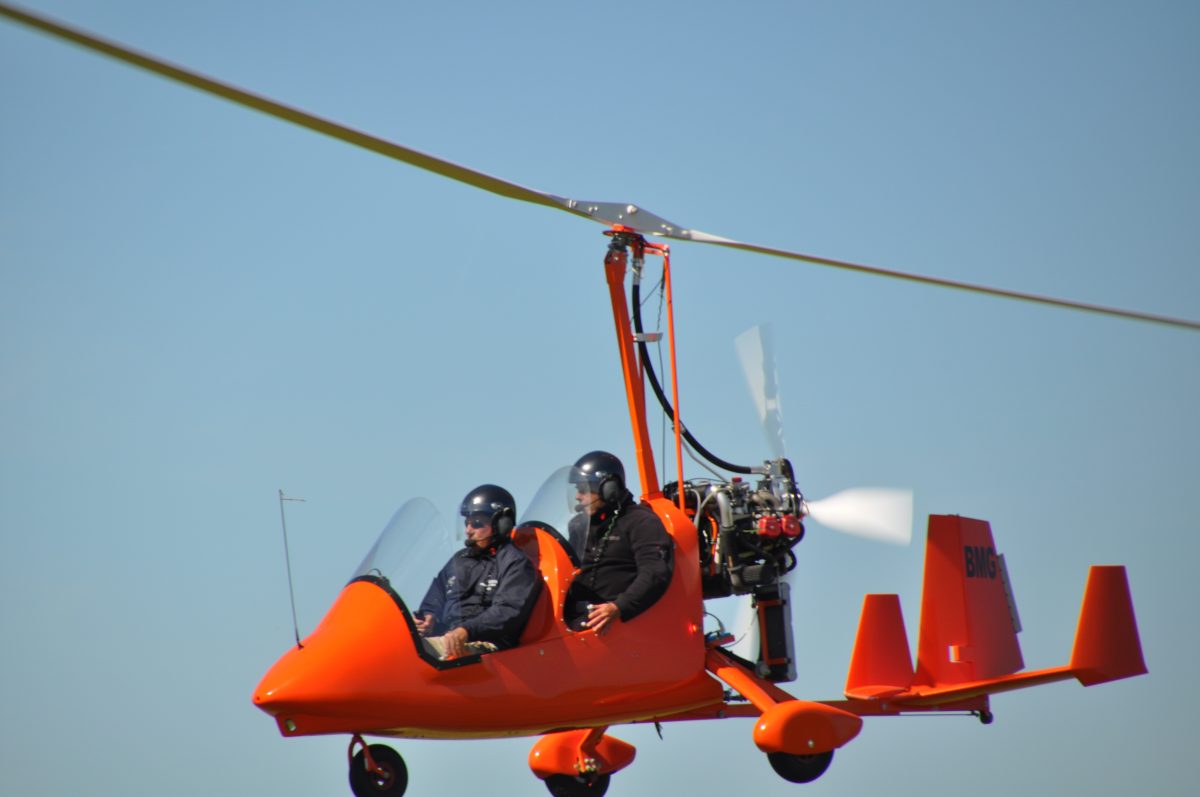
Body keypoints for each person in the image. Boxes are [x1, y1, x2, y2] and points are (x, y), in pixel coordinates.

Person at [415, 484, 542, 659]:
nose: (468, 530)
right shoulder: (459, 560)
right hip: (449, 638)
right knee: (398, 645)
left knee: (412, 653)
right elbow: (435, 598)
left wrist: (466, 631)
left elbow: (507, 611)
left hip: (488, 646)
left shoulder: (515, 563)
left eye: (476, 524)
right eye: (467, 523)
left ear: (501, 524)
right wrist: (428, 618)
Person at [565, 451, 674, 634]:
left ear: (609, 489)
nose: (578, 496)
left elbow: (655, 573)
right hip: (576, 621)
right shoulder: (578, 525)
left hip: (615, 626)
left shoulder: (640, 521)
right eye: (577, 489)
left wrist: (618, 607)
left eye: (583, 489)